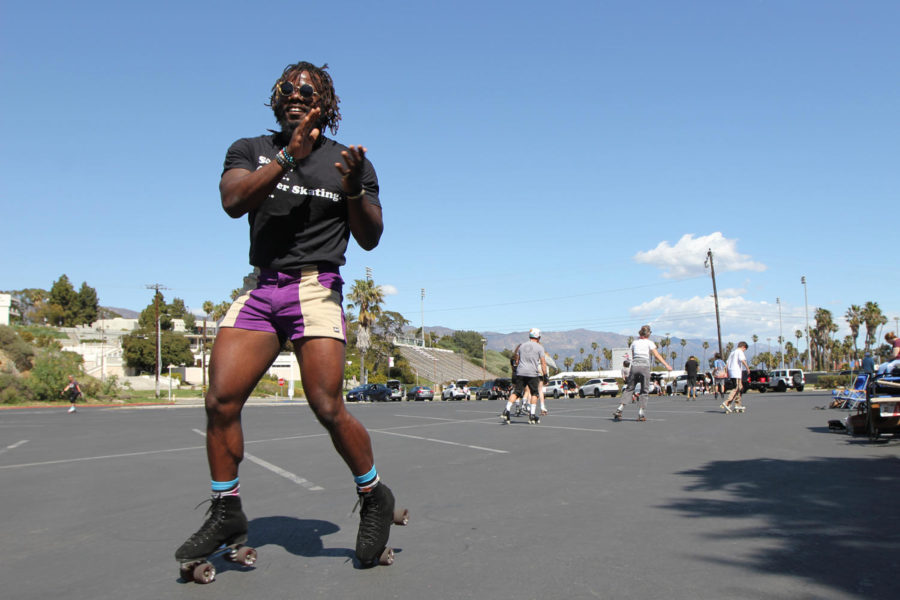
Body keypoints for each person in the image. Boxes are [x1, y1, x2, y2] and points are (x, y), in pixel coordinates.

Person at [175, 61, 400, 569]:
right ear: (275, 98)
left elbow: (370, 237)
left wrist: (354, 191)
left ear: (325, 102)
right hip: (262, 289)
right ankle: (226, 509)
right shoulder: (250, 149)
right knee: (220, 398)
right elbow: (233, 201)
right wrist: (285, 156)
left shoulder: (347, 160)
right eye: (287, 88)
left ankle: (373, 496)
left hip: (315, 289)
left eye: (308, 88)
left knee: (326, 404)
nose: (296, 93)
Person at [614, 325, 672, 422]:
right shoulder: (650, 343)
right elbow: (656, 355)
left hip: (635, 366)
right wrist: (666, 365)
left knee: (629, 388)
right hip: (645, 366)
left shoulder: (634, 343)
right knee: (644, 390)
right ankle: (641, 413)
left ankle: (619, 409)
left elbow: (633, 355)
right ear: (648, 334)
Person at [501, 329, 548, 424]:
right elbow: (543, 363)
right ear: (538, 337)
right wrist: (545, 375)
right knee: (535, 393)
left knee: (517, 392)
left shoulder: (522, 346)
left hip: (520, 372)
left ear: (529, 336)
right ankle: (532, 415)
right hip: (532, 374)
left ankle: (506, 410)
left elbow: (517, 361)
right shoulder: (539, 347)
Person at [722, 342, 750, 413]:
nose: (744, 351)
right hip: (736, 372)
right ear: (743, 347)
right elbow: (742, 360)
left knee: (740, 388)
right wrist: (747, 368)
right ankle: (727, 402)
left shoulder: (732, 352)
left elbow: (727, 363)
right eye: (745, 349)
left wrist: (726, 372)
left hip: (732, 372)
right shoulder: (739, 351)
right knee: (736, 388)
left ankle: (738, 404)